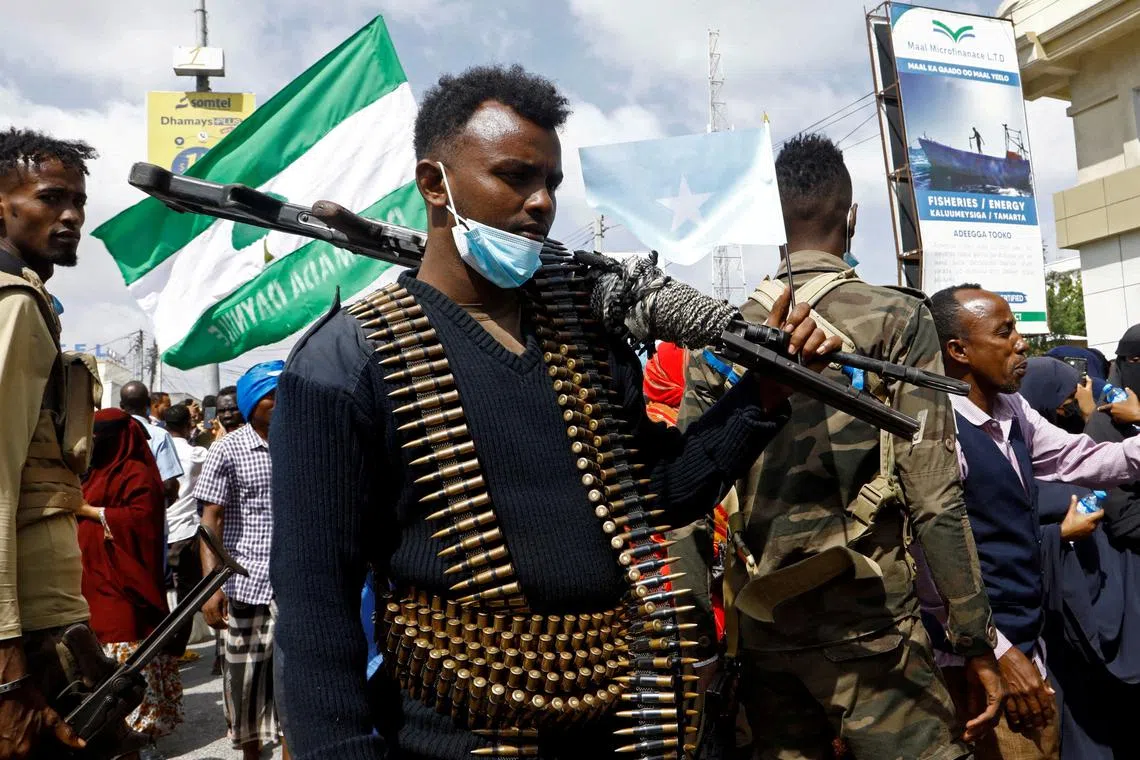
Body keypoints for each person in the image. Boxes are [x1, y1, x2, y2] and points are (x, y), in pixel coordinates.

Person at [269, 64, 837, 760]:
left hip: (621, 721)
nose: (540, 203)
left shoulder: (583, 334)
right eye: (514, 176)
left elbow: (658, 494)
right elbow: (314, 602)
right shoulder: (346, 362)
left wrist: (764, 395)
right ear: (433, 184)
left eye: (551, 184)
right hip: (454, 735)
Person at [681, 133, 1001, 760]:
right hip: (872, 633)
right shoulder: (897, 319)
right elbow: (935, 497)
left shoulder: (716, 337)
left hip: (763, 630)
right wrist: (974, 639)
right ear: (852, 217)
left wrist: (699, 650)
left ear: (778, 220)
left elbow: (686, 503)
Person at [928, 284, 1140, 760]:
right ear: (958, 350)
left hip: (1027, 642)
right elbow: (930, 570)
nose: (1021, 343)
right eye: (1005, 333)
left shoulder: (1011, 410)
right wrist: (997, 650)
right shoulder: (940, 433)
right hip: (976, 661)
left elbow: (1075, 457)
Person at [0, 127, 134, 758]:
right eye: (51, 199)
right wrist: (10, 668)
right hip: (27, 620)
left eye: (78, 202)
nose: (72, 216)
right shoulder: (15, 305)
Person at [1018, 357, 1140, 760]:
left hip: (1101, 600)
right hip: (1050, 623)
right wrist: (1060, 535)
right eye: (1066, 397)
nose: (1069, 406)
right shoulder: (1007, 459)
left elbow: (1094, 461)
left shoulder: (1076, 441)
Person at [195, 361, 288, 760]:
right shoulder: (227, 449)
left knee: (293, 687)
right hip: (245, 586)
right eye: (271, 394)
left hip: (294, 586)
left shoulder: (303, 441)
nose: (280, 401)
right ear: (253, 403)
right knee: (245, 686)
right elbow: (209, 519)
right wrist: (211, 587)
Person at [80, 409, 182, 754]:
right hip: (94, 585)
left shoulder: (137, 474)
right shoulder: (93, 472)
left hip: (126, 590)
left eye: (100, 437)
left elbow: (141, 522)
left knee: (126, 671)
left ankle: (136, 742)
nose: (94, 443)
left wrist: (88, 512)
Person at [163, 403, 207, 660]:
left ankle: (163, 647)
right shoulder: (197, 454)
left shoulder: (155, 449)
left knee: (163, 590)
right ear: (188, 425)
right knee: (186, 593)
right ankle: (177, 650)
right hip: (185, 531)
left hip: (162, 529)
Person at [120, 381, 183, 505]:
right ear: (148, 403)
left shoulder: (110, 432)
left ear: (121, 405)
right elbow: (169, 484)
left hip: (111, 516)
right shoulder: (159, 435)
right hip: (149, 514)